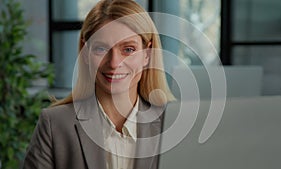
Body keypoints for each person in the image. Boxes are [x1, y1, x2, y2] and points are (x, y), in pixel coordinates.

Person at [22, 0, 175, 169]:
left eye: (128, 49)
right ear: (85, 53)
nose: (114, 63)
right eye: (101, 49)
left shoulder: (172, 124)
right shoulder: (55, 124)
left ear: (147, 54)